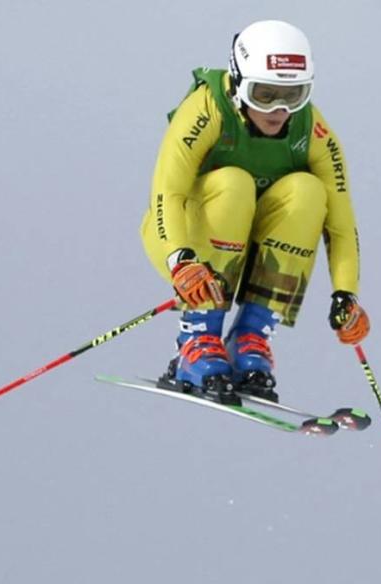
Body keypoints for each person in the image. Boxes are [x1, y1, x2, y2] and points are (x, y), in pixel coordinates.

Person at [140, 19, 369, 405]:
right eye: (264, 94)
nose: (279, 110)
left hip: (252, 256)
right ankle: (196, 339)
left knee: (309, 192)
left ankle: (250, 336)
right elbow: (167, 192)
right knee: (234, 182)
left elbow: (342, 223)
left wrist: (346, 295)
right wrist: (181, 260)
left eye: (294, 95)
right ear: (238, 83)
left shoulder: (311, 131)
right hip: (186, 243)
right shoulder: (208, 108)